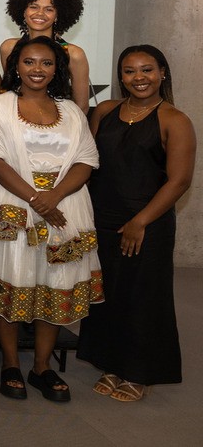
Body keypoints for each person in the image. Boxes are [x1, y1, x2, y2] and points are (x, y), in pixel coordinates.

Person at [0, 36, 101, 403]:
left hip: (65, 209)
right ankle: (10, 363)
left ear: (57, 68)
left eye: (46, 63)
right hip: (11, 205)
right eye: (29, 62)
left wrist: (53, 197)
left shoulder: (72, 111)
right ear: (16, 66)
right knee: (12, 279)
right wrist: (35, 199)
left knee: (53, 281)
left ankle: (42, 366)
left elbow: (86, 159)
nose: (37, 69)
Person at [78, 45, 195, 402]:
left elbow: (179, 181)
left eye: (147, 70)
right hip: (103, 218)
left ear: (162, 72)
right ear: (121, 76)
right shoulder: (107, 111)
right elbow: (88, 162)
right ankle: (111, 363)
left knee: (144, 297)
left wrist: (140, 221)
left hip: (148, 222)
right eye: (129, 71)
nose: (139, 78)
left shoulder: (175, 120)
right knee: (108, 294)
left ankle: (139, 372)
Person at [0, 0, 91, 111]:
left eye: (49, 9)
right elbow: (9, 89)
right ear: (23, 11)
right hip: (16, 121)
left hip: (60, 124)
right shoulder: (9, 48)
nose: (40, 13)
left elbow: (81, 106)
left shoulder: (73, 54)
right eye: (33, 7)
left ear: (57, 15)